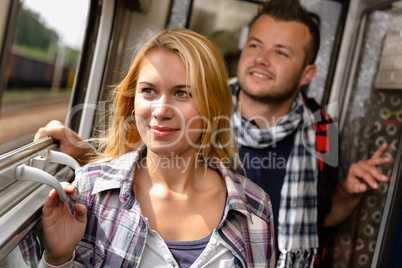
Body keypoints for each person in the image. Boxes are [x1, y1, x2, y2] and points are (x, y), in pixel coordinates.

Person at [34, 0, 392, 267]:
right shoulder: (197, 106)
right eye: (255, 44)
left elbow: (322, 213)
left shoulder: (322, 129)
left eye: (280, 52)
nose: (262, 58)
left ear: (307, 73)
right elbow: (146, 144)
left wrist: (347, 191)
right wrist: (82, 152)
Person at [37, 28, 275, 268]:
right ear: (133, 101)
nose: (161, 111)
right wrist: (58, 259)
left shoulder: (254, 209)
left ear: (211, 107)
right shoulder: (89, 192)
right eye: (148, 91)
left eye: (182, 93)